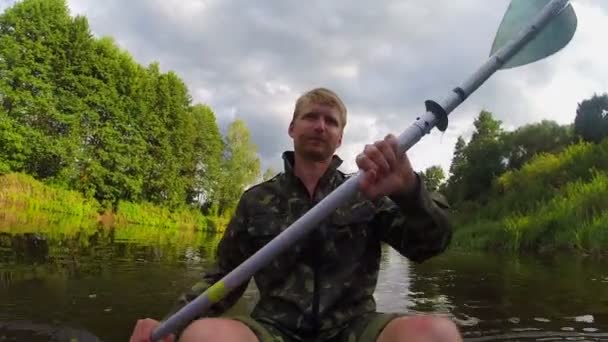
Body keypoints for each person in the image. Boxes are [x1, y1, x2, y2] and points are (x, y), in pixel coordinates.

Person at [130, 88, 461, 342]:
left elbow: (430, 245)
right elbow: (223, 278)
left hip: (354, 328)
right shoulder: (256, 200)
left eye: (330, 121)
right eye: (311, 117)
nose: (320, 126)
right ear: (291, 127)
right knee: (203, 336)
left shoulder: (368, 192)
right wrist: (170, 323)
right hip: (273, 329)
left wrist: (409, 192)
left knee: (438, 333)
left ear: (340, 138)